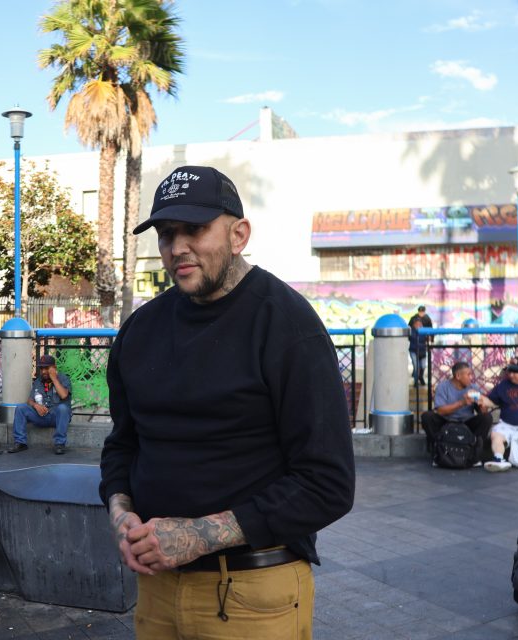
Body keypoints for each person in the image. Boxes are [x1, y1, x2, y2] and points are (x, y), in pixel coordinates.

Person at [99, 165, 356, 639]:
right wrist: (121, 515)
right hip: (156, 588)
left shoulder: (287, 325)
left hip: (252, 593)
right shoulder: (140, 330)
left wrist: (197, 535)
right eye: (166, 233)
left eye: (194, 229)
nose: (177, 247)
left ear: (239, 235)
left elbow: (328, 484)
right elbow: (123, 444)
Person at [420, 361, 492, 460]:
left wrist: (482, 405)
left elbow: (483, 413)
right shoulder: (443, 387)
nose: (471, 377)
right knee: (427, 416)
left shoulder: (473, 388)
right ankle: (438, 450)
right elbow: (440, 411)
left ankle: (474, 452)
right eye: (468, 375)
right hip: (446, 422)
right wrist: (462, 403)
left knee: (487, 418)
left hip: (467, 422)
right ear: (458, 376)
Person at [8, 354, 71, 455]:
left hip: (57, 417)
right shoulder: (38, 381)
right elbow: (30, 400)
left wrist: (54, 378)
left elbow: (64, 395)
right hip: (41, 416)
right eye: (41, 368)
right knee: (21, 408)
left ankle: (59, 443)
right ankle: (20, 442)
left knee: (63, 408)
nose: (43, 371)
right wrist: (35, 405)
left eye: (47, 368)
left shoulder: (63, 378)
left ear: (54, 368)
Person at [409, 317, 427, 386]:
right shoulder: (411, 331)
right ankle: (416, 380)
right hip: (413, 351)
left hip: (422, 351)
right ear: (414, 324)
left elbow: (427, 339)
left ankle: (421, 377)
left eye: (420, 323)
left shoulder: (424, 331)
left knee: (423, 366)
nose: (418, 325)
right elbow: (411, 338)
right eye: (417, 324)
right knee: (416, 366)